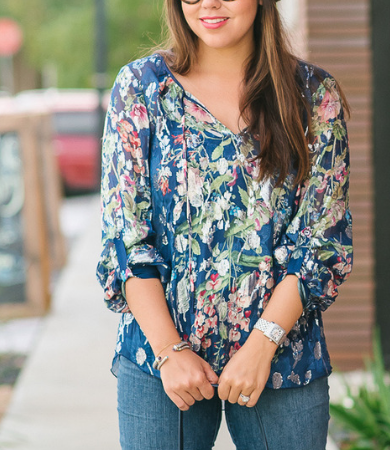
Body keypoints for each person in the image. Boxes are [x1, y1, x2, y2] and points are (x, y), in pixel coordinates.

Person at [96, 0, 353, 448]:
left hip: (283, 358)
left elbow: (322, 241)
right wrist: (170, 351)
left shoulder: (312, 95)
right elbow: (125, 238)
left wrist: (262, 345)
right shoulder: (141, 88)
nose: (209, 3)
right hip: (162, 365)